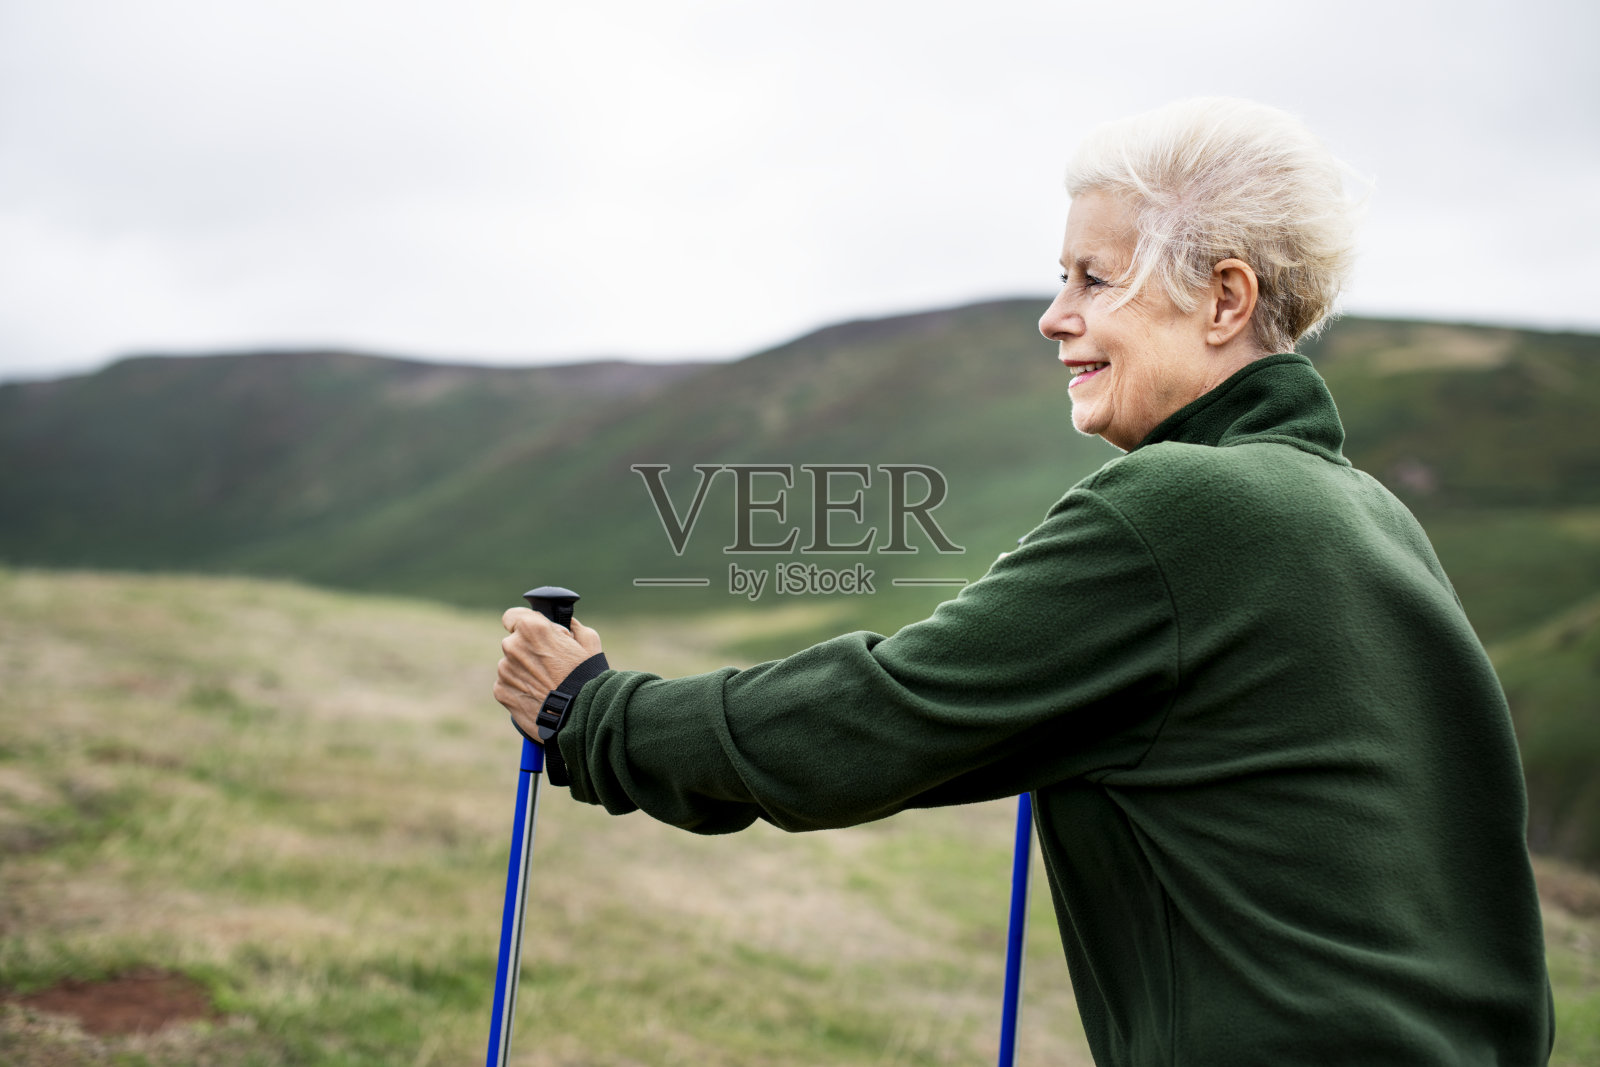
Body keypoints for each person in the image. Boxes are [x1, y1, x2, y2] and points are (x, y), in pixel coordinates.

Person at [495, 98, 1555, 1066]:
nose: (1054, 315)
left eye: (1094, 278)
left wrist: (593, 713)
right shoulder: (1370, 515)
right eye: (1062, 277)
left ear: (1224, 298)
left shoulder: (1190, 510)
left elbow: (875, 720)